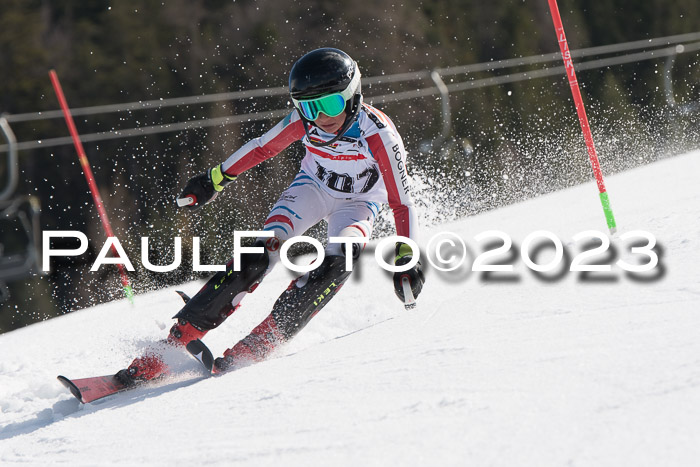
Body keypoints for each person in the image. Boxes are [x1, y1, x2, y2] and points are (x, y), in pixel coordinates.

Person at [116, 48, 425, 384]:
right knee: (265, 249)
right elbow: (263, 147)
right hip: (313, 188)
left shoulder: (378, 134)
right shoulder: (304, 123)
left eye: (331, 104)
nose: (322, 117)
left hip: (360, 203)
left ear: (353, 97)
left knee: (340, 261)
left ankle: (263, 340)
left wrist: (408, 259)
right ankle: (175, 342)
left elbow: (401, 202)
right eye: (310, 107)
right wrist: (212, 180)